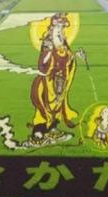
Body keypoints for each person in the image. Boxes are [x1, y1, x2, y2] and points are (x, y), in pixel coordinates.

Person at [24, 13, 78, 147]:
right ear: (52, 28)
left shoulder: (62, 43)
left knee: (58, 105)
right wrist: (48, 55)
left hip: (61, 79)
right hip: (48, 80)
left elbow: (68, 57)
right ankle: (39, 134)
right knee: (45, 105)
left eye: (61, 29)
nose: (59, 32)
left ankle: (53, 129)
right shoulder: (48, 42)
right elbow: (43, 63)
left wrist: (75, 55)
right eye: (57, 29)